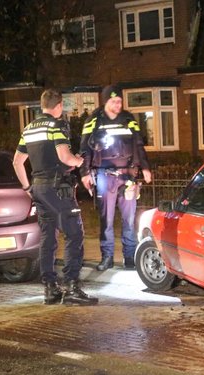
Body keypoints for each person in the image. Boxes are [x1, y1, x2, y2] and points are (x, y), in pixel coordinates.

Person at [13, 89, 98, 305]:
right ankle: (71, 287)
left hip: (39, 189)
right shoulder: (57, 126)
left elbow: (17, 162)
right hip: (58, 187)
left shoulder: (28, 129)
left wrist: (27, 188)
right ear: (58, 106)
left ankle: (50, 289)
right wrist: (79, 161)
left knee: (48, 238)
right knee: (74, 234)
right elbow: (64, 156)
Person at [79, 85, 152, 271]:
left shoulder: (128, 119)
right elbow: (84, 149)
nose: (117, 104)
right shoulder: (93, 121)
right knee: (106, 220)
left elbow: (138, 144)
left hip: (128, 176)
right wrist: (85, 173)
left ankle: (129, 257)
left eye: (119, 101)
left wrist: (145, 168)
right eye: (113, 101)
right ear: (105, 101)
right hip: (105, 176)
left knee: (129, 220)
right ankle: (107, 257)